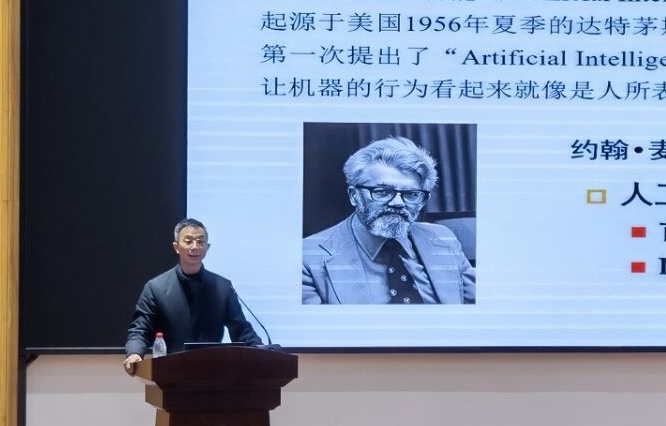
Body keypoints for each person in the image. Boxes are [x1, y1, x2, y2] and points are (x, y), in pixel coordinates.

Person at [302, 135, 476, 305]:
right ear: (354, 196)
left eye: (411, 194)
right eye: (382, 192)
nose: (398, 203)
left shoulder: (443, 238)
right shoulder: (307, 257)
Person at [122, 218, 262, 375]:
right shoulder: (156, 288)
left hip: (214, 373)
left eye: (200, 242)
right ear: (176, 247)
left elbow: (241, 329)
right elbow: (140, 329)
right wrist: (134, 353)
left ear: (207, 247)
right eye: (188, 241)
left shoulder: (223, 287)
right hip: (171, 373)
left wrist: (261, 350)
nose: (195, 247)